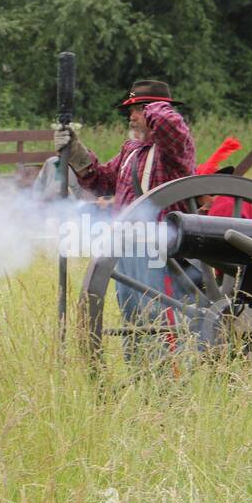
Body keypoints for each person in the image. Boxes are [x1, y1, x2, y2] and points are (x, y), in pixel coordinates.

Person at [54, 79, 196, 353]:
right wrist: (75, 151)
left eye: (137, 110)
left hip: (161, 250)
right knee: (133, 320)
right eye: (130, 110)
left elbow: (169, 124)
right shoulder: (130, 149)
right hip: (127, 249)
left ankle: (168, 383)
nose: (131, 117)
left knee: (159, 318)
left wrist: (152, 106)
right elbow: (101, 181)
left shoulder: (176, 145)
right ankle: (141, 379)